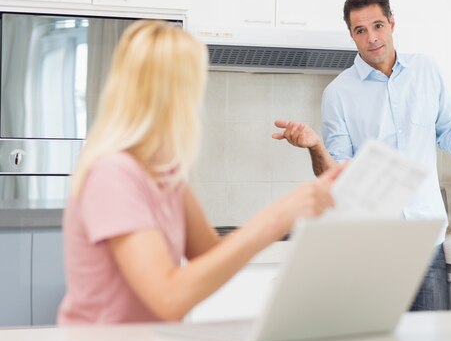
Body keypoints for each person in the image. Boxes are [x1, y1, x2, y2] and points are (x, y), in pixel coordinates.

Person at [57, 20, 343, 324]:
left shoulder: (165, 173)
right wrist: (278, 217)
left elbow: (209, 256)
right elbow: (168, 298)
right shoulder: (113, 172)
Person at [272, 0, 451, 311]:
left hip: (425, 245)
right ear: (351, 36)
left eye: (377, 25)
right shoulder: (338, 94)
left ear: (392, 23)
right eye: (360, 30)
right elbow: (335, 180)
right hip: (370, 250)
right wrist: (315, 146)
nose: (372, 37)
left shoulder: (427, 72)